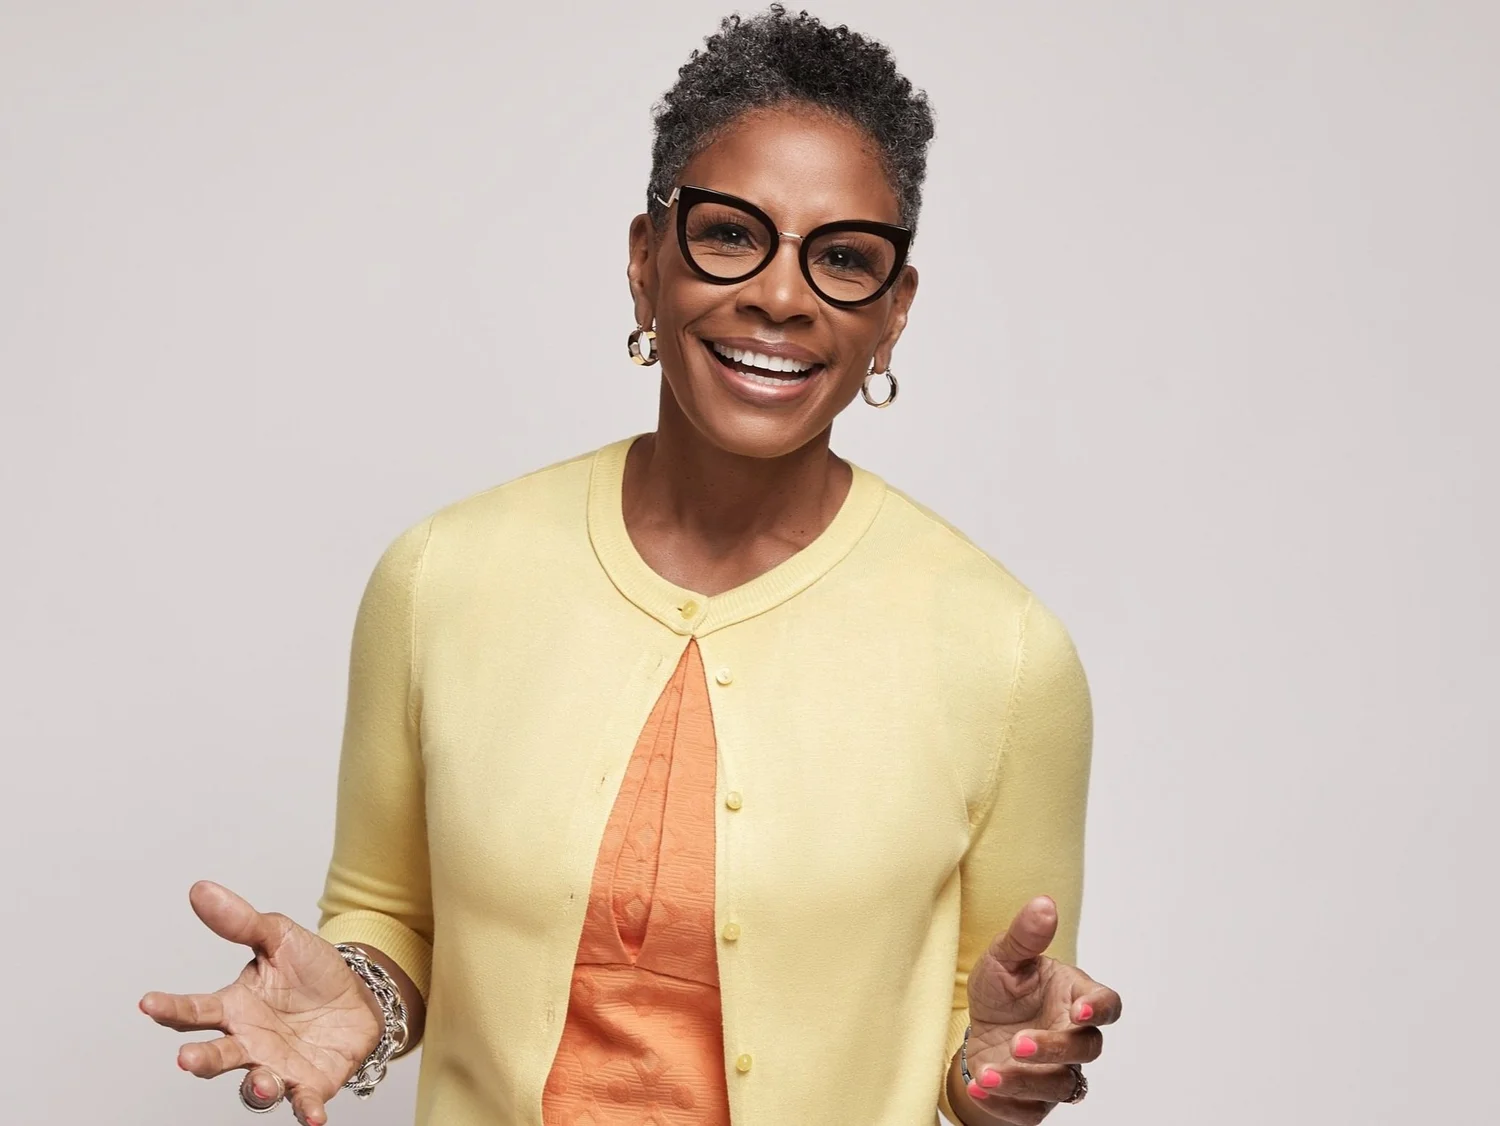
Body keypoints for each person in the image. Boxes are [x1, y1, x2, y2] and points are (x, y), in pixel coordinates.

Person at [139, 8, 1122, 1125]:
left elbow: (990, 1040)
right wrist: (360, 995)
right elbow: (385, 906)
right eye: (729, 234)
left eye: (844, 258)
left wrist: (998, 1070)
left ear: (893, 316)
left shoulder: (1006, 655)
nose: (783, 296)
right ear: (646, 261)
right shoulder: (440, 577)